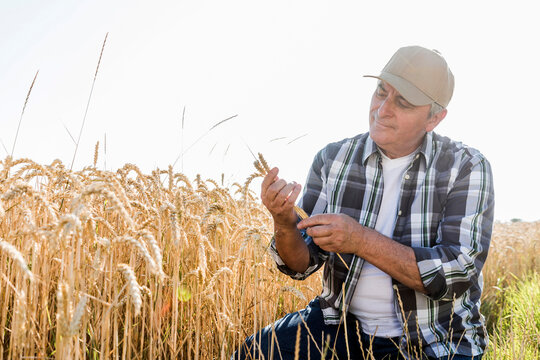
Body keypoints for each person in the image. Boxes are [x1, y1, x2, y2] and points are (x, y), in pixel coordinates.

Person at [233, 45, 494, 360]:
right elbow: (300, 264)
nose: (383, 109)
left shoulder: (466, 167)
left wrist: (360, 240)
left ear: (434, 118)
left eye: (403, 102)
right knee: (254, 353)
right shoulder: (333, 159)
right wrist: (283, 220)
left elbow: (456, 274)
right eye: (381, 92)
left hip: (432, 338)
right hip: (339, 327)